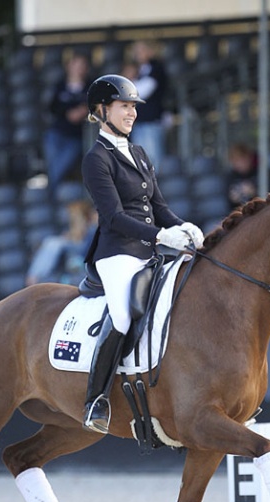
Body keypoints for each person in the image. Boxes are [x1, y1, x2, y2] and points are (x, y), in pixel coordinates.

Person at [81, 74, 204, 434]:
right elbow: (114, 217)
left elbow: (159, 205)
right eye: (124, 106)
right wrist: (162, 234)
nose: (131, 113)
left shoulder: (138, 152)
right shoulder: (96, 159)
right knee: (121, 316)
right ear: (102, 110)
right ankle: (96, 400)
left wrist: (184, 227)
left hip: (150, 248)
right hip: (117, 252)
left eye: (134, 107)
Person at [42, 51, 91, 198]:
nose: (78, 69)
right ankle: (53, 194)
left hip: (76, 136)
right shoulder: (60, 85)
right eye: (76, 65)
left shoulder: (90, 87)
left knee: (60, 164)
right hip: (57, 133)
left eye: (82, 66)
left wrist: (83, 110)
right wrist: (68, 113)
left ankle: (49, 193)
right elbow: (53, 108)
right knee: (54, 163)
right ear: (69, 66)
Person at [25, 199, 97, 286]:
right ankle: (35, 277)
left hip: (80, 264)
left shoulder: (92, 229)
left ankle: (34, 277)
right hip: (72, 263)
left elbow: (82, 249)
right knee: (51, 243)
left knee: (53, 243)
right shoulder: (74, 233)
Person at [127, 40, 168, 171]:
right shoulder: (139, 70)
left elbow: (142, 91)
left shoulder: (156, 68)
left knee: (152, 159)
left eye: (142, 50)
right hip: (139, 120)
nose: (138, 54)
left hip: (151, 120)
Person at [225, 142, 260, 211]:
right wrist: (233, 199)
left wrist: (254, 192)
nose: (240, 163)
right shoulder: (230, 177)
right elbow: (227, 201)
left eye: (242, 159)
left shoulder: (261, 173)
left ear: (249, 158)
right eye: (236, 161)